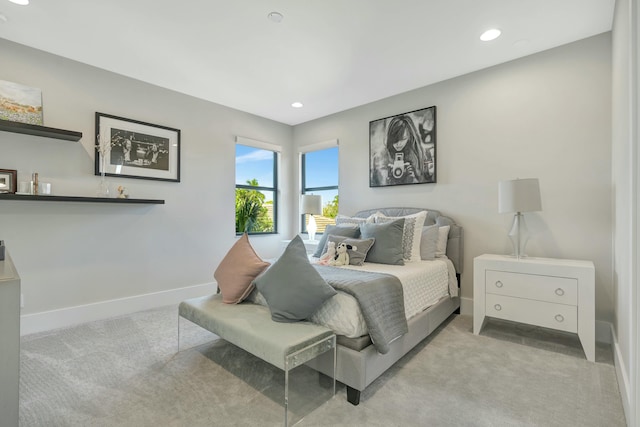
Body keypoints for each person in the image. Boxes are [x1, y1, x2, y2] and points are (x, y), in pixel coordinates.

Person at [382, 115, 429, 185]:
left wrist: (412, 177)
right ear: (390, 138)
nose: (399, 144)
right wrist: (387, 176)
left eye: (403, 139)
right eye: (395, 140)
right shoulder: (384, 155)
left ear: (410, 137)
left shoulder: (420, 154)